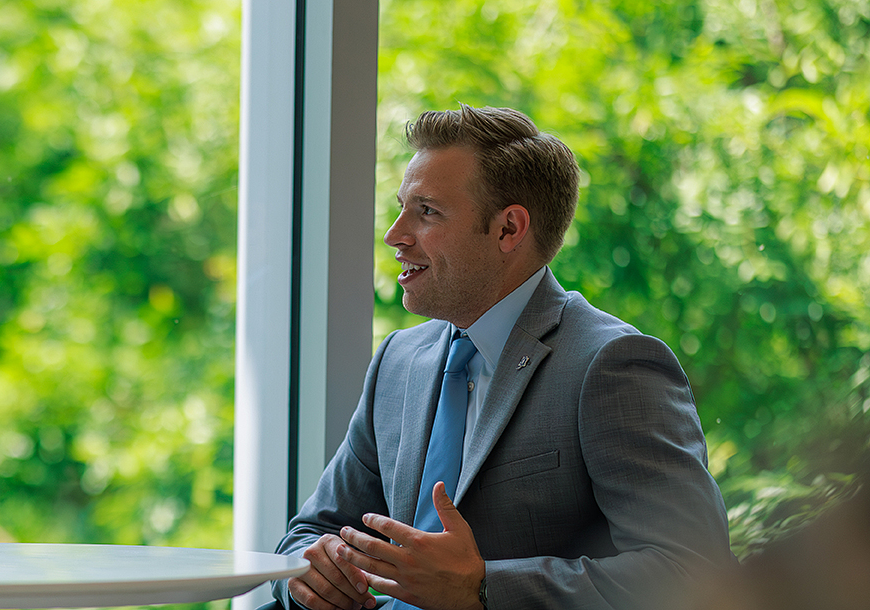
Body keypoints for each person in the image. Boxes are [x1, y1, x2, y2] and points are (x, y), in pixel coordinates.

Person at [266, 105, 732, 610]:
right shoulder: (397, 361)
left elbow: (692, 573)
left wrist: (482, 588)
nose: (395, 235)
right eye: (402, 208)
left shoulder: (613, 365)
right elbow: (311, 531)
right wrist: (312, 573)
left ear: (509, 229)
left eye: (427, 212)